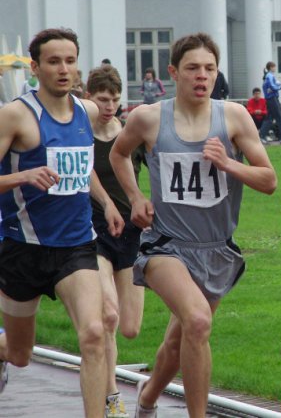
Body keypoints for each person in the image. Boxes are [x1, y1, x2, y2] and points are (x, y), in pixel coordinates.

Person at [109, 32, 277, 417]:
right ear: (173, 72)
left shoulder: (233, 117)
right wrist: (135, 197)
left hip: (216, 248)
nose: (202, 76)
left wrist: (228, 163)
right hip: (165, 245)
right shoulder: (149, 118)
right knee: (198, 321)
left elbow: (269, 180)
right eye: (192, 68)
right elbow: (119, 154)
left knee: (180, 340)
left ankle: (148, 396)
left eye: (209, 69)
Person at [0, 27, 124, 418]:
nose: (63, 69)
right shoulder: (16, 115)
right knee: (20, 354)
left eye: (70, 61)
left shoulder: (87, 111)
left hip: (76, 246)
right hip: (22, 249)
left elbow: (82, 167)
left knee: (94, 333)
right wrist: (23, 175)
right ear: (35, 67)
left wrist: (107, 202)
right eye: (54, 61)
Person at [86, 65, 146, 418]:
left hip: (131, 232)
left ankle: (137, 388)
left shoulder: (129, 135)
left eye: (114, 100)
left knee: (130, 327)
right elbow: (85, 173)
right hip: (94, 229)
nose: (109, 106)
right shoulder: (82, 135)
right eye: (102, 99)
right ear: (89, 98)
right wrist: (106, 204)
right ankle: (111, 397)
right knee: (108, 315)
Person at [259, 61, 281, 144]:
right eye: (274, 67)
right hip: (272, 99)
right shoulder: (269, 76)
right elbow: (273, 86)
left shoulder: (268, 76)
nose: (275, 68)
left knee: (269, 119)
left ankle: (261, 136)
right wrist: (280, 86)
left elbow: (270, 86)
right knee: (279, 117)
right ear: (271, 67)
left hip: (270, 99)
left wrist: (278, 86)